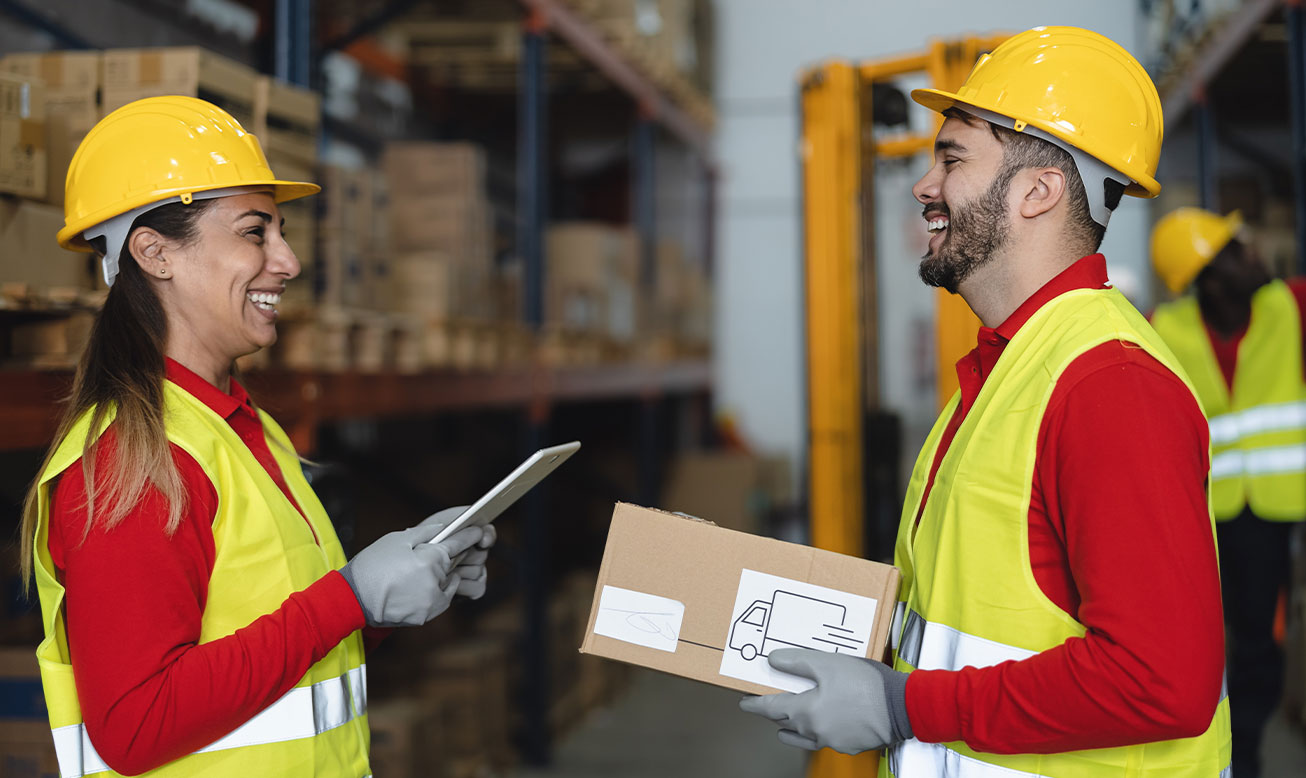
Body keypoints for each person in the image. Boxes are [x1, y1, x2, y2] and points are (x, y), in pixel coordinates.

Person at [739, 26, 1233, 776]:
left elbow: (1162, 683)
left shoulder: (1109, 386)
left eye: (953, 157)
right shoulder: (1007, 370)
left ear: (1038, 191)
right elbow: (967, 615)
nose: (924, 184)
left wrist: (903, 706)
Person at [19, 95, 494, 777]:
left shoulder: (246, 428)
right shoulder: (136, 461)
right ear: (155, 253)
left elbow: (278, 648)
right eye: (255, 233)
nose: (289, 262)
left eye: (282, 231)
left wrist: (392, 597)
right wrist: (351, 596)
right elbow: (135, 726)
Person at [1150, 206, 1306, 777]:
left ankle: (1247, 754)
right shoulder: (1166, 331)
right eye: (1235, 249)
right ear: (1210, 277)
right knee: (1198, 642)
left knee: (1260, 642)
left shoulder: (1290, 307)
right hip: (1200, 518)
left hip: (1269, 513)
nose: (1253, 251)